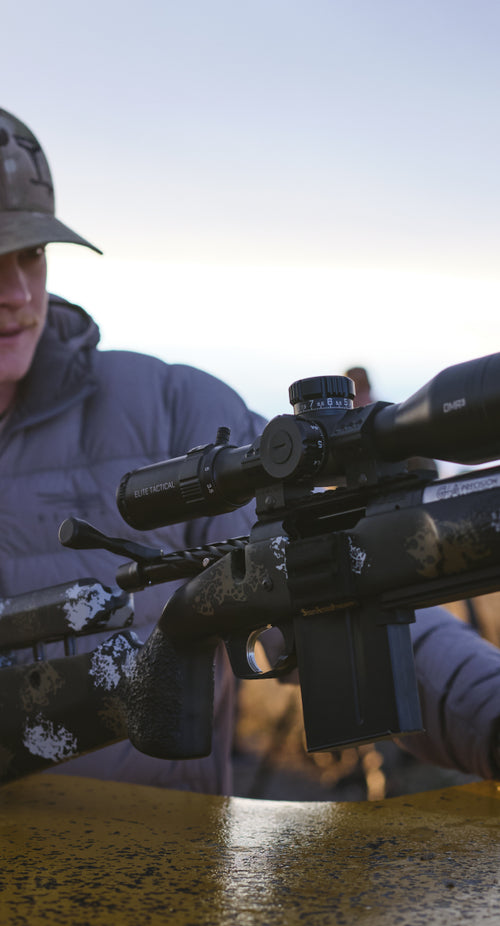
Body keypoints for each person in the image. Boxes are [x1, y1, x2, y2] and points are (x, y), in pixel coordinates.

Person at [1, 108, 500, 797]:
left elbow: (351, 575)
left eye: (32, 254)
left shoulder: (174, 411)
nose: (18, 294)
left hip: (163, 861)